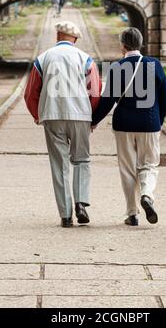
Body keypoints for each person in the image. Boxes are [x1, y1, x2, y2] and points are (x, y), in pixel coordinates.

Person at [24, 21, 101, 227]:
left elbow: (31, 92)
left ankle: (66, 215)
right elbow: (95, 92)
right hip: (80, 115)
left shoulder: (43, 59)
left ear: (57, 36)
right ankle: (81, 203)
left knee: (59, 166)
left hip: (52, 114)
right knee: (81, 160)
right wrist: (91, 117)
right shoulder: (85, 59)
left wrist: (37, 114)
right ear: (74, 39)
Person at [92, 27, 166, 226]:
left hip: (124, 124)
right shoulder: (155, 65)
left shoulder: (117, 67)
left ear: (123, 45)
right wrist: (158, 122)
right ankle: (147, 194)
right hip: (149, 122)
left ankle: (132, 213)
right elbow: (164, 99)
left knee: (127, 169)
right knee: (149, 165)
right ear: (141, 43)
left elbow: (108, 100)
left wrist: (93, 121)